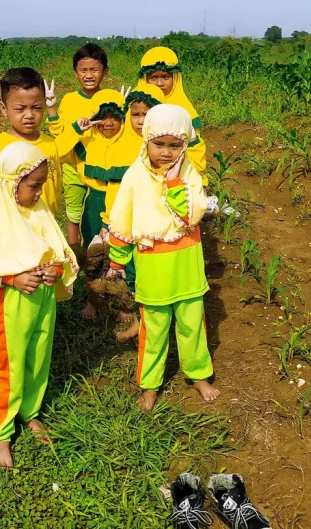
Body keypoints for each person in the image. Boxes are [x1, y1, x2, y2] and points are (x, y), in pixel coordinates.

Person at [0, 141, 78, 468]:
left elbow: (56, 247)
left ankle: (30, 412)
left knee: (39, 355)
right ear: (12, 183)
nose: (39, 193)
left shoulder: (38, 210)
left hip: (42, 298)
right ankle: (1, 434)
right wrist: (12, 278)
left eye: (42, 185)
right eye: (33, 186)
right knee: (8, 364)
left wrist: (55, 269)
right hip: (11, 303)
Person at [106, 104, 220, 410]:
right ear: (146, 140)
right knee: (153, 327)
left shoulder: (189, 176)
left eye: (175, 145)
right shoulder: (135, 176)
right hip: (152, 264)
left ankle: (198, 375)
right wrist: (117, 260)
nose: (166, 153)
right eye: (159, 144)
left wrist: (173, 183)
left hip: (186, 263)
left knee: (192, 322)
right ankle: (150, 384)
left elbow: (191, 215)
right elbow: (122, 219)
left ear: (185, 144)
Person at [0, 67, 86, 212]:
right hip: (14, 227)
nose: (29, 115)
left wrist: (76, 130)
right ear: (4, 109)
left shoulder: (49, 143)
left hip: (46, 221)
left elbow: (66, 152)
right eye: (20, 109)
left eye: (36, 107)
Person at [106, 81, 165, 342]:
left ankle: (147, 325)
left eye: (148, 114)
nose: (141, 121)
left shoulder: (166, 148)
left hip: (156, 226)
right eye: (135, 114)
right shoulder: (120, 143)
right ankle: (139, 322)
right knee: (133, 274)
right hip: (129, 223)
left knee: (150, 279)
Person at [46, 43, 109, 245]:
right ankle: (74, 253)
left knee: (101, 210)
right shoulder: (70, 100)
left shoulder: (108, 100)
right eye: (83, 70)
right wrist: (51, 109)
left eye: (94, 70)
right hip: (73, 165)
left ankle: (99, 248)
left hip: (100, 166)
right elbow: (60, 133)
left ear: (105, 72)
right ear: (75, 73)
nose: (88, 75)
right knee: (73, 214)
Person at [137, 47, 208, 185]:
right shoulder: (136, 105)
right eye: (153, 78)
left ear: (175, 77)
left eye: (165, 77)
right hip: (142, 177)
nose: (159, 83)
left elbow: (194, 149)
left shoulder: (185, 111)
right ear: (145, 78)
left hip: (176, 177)